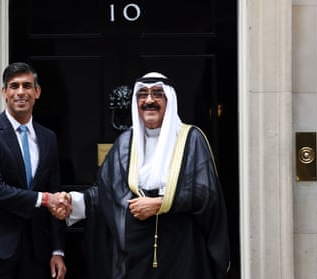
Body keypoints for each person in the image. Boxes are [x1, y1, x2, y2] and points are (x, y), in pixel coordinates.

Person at [66, 72, 230, 279]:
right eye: (142, 94)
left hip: (182, 249)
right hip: (136, 253)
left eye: (157, 94)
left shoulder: (191, 138)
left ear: (168, 100)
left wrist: (160, 204)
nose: (149, 100)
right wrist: (73, 201)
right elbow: (107, 191)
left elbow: (205, 192)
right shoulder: (126, 143)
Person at [0, 62, 69, 279]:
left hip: (37, 248)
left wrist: (57, 250)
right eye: (14, 86)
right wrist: (46, 199)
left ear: (37, 92)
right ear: (5, 92)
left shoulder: (48, 137)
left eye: (27, 86)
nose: (21, 92)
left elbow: (54, 189)